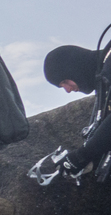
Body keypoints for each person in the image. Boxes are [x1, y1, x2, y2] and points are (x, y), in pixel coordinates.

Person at [38, 38, 111, 181]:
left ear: (76, 68)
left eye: (65, 81)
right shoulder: (104, 79)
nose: (68, 90)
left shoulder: (109, 69)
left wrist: (82, 155)